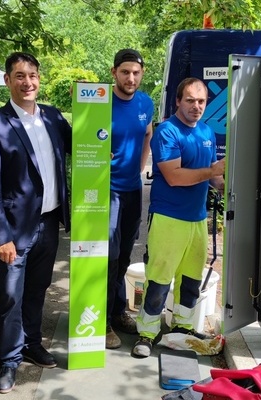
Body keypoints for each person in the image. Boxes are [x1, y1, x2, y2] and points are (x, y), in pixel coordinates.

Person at [0, 52, 71, 394]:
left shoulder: (55, 118)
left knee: (37, 290)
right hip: (14, 231)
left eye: (32, 75)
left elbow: (89, 145)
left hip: (49, 224)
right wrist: (2, 236)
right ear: (7, 80)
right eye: (19, 76)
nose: (27, 82)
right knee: (11, 296)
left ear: (39, 78)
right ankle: (9, 361)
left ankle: (31, 343)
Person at [132, 77, 225, 358]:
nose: (196, 106)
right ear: (178, 101)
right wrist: (212, 172)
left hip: (197, 219)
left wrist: (224, 183)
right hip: (168, 217)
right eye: (190, 100)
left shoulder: (207, 131)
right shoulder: (168, 132)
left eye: (201, 101)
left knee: (191, 281)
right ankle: (147, 333)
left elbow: (212, 173)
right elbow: (173, 176)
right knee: (159, 281)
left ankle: (182, 328)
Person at [105, 48, 154, 349]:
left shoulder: (146, 103)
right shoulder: (99, 102)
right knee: (108, 258)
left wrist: (140, 167)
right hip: (105, 190)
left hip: (132, 190)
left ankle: (118, 310)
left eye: (135, 72)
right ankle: (102, 323)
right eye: (125, 72)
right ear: (114, 73)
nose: (130, 77)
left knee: (124, 254)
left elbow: (147, 134)